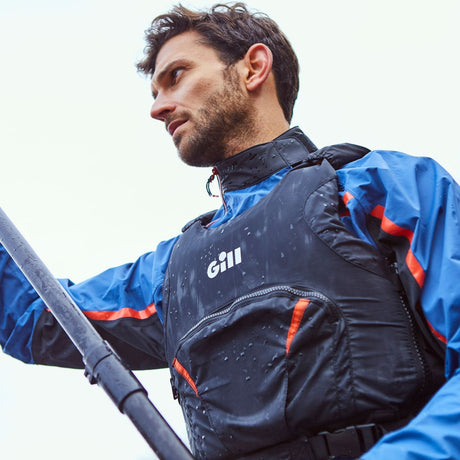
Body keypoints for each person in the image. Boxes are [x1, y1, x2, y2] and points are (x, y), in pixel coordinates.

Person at [0, 2, 459, 459]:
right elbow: (31, 317)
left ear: (253, 68)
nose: (157, 108)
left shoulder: (379, 187)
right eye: (154, 92)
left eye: (176, 75)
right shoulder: (171, 274)